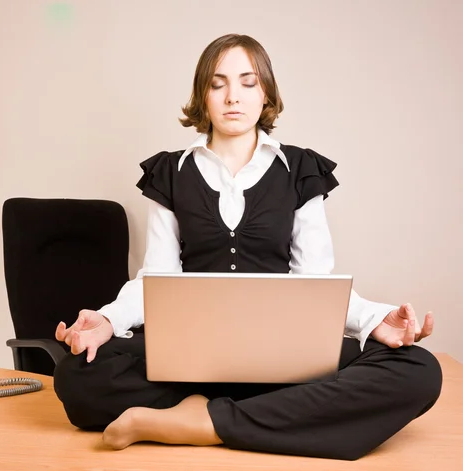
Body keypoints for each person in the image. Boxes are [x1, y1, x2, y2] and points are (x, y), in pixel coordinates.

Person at [52, 34, 442, 461]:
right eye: (218, 84)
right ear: (203, 95)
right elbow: (156, 280)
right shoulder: (170, 172)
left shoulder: (300, 170)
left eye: (247, 82)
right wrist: (108, 320)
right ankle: (256, 419)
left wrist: (373, 320)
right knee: (76, 374)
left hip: (283, 359)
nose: (232, 96)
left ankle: (202, 423)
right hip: (189, 359)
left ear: (266, 93)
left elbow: (314, 283)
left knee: (418, 371)